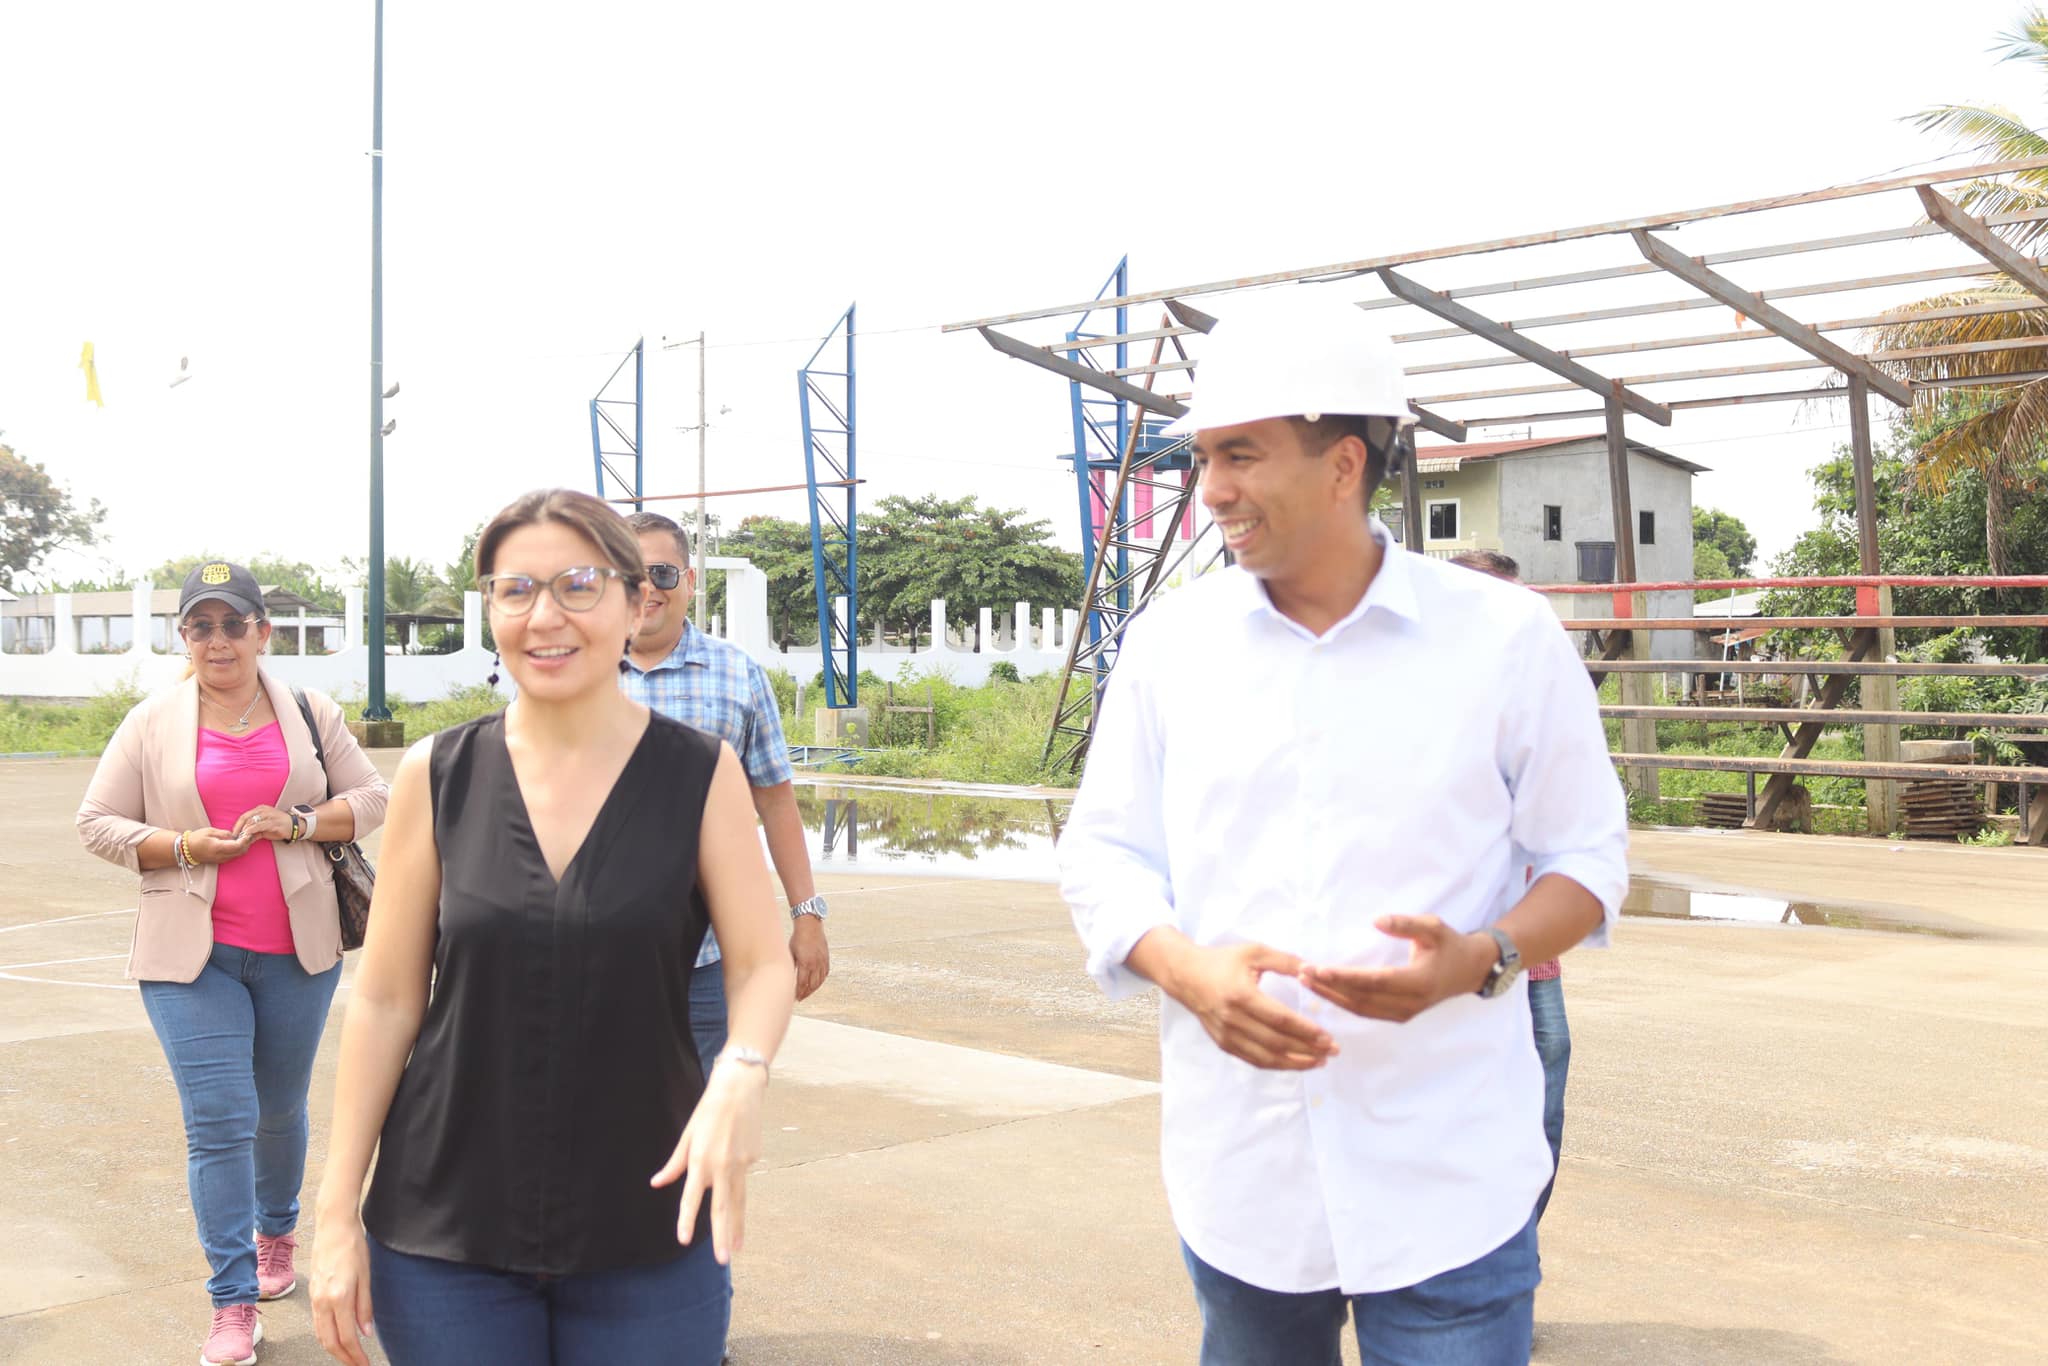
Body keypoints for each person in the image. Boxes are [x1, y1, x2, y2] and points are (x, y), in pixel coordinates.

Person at [1058, 299, 1628, 1365]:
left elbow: (1586, 858)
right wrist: (1184, 970)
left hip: (1449, 1176)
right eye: (1203, 457)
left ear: (1343, 463)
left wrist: (1482, 956)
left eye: (1240, 454)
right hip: (1244, 1171)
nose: (1210, 489)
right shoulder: (1170, 646)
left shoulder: (1502, 637)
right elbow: (1102, 851)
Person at [308, 489, 796, 1366]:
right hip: (445, 1228)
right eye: (516, 590)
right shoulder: (436, 773)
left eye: (578, 585)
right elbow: (384, 1002)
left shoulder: (701, 773)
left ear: (636, 602)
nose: (545, 617)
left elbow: (762, 964)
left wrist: (742, 1071)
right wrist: (336, 1212)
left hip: (653, 1214)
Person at [76, 561, 390, 1366]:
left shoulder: (311, 713)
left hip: (298, 950)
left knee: (278, 1110)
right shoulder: (151, 721)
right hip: (190, 958)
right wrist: (181, 844)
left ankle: (275, 1233)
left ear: (262, 631)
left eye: (232, 623)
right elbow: (98, 821)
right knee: (219, 1120)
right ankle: (232, 1300)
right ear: (184, 637)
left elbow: (374, 799)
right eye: (200, 626)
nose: (217, 640)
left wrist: (298, 823)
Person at [622, 509, 830, 1077]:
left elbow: (776, 801)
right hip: (591, 952)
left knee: (703, 1110)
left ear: (689, 581)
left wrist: (807, 916)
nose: (647, 588)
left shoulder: (737, 675)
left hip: (706, 958)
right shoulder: (575, 675)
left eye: (662, 574)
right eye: (628, 574)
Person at [1449, 549, 1571, 1225]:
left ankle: (1513, 1250)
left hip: (1530, 963)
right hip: (1439, 964)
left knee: (1539, 1123)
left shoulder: (1537, 712)